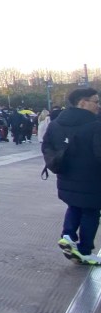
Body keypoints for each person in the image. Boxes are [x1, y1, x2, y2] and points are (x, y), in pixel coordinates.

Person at [44, 87, 101, 265]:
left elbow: (47, 147)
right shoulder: (95, 125)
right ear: (82, 102)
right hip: (92, 179)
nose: (98, 106)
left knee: (74, 205)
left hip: (66, 176)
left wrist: (57, 164)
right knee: (91, 212)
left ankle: (68, 236)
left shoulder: (56, 124)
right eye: (96, 101)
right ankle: (84, 250)